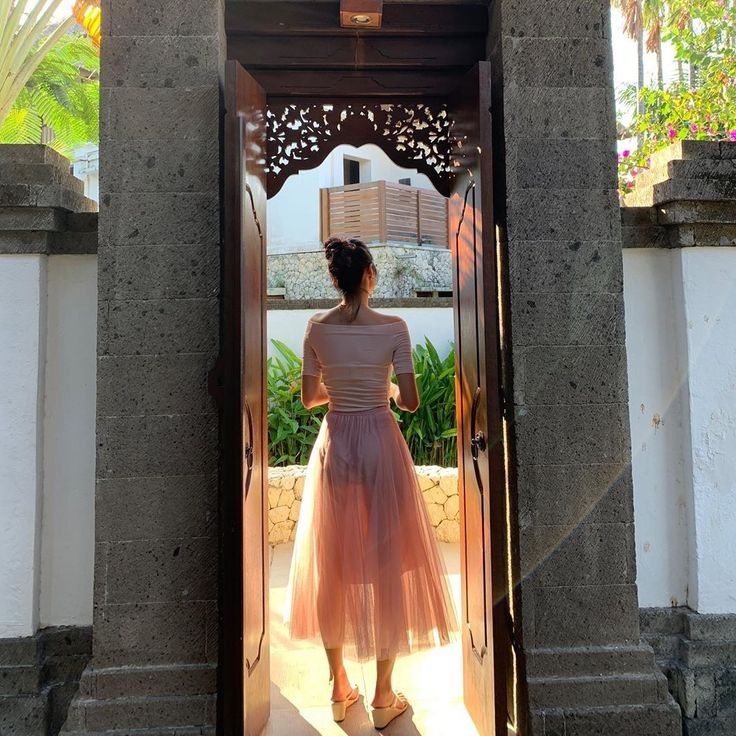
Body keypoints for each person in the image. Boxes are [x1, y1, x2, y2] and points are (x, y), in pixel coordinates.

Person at [282, 236, 460, 730]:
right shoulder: (395, 327)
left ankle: (339, 686)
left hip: (337, 443)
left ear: (335, 279)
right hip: (381, 443)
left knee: (332, 561)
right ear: (369, 276)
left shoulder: (316, 328)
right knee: (386, 563)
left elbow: (309, 398)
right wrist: (382, 388)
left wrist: (344, 390)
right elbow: (411, 402)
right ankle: (383, 696)